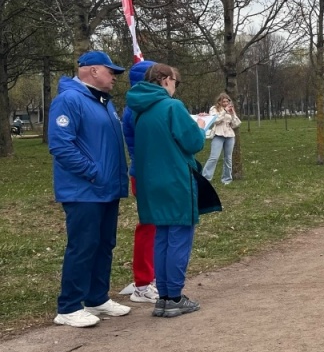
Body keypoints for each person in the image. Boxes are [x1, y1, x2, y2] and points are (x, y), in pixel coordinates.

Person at [49, 51, 132, 327]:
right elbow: (61, 145)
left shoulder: (103, 102)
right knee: (83, 246)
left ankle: (97, 298)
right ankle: (69, 306)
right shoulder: (69, 100)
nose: (115, 77)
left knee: (104, 244)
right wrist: (92, 172)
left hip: (106, 188)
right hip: (84, 190)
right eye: (111, 71)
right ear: (93, 70)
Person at [126, 63, 207, 318]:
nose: (175, 86)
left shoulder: (139, 111)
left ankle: (163, 297)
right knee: (179, 237)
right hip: (175, 179)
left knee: (161, 238)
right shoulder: (173, 107)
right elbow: (193, 142)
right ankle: (174, 296)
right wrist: (200, 127)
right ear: (164, 80)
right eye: (175, 81)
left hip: (151, 181)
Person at [119, 60, 159, 303]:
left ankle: (147, 277)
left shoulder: (140, 105)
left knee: (154, 225)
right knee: (149, 225)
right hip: (146, 172)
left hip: (147, 171)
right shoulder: (138, 107)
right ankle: (143, 283)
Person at [202, 93, 241, 185]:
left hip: (229, 135)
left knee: (228, 158)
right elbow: (215, 120)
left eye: (227, 101)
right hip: (218, 134)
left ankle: (227, 179)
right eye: (223, 101)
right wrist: (224, 111)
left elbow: (235, 124)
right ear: (219, 101)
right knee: (214, 157)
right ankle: (205, 178)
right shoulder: (214, 109)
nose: (225, 103)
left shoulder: (230, 109)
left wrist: (232, 114)